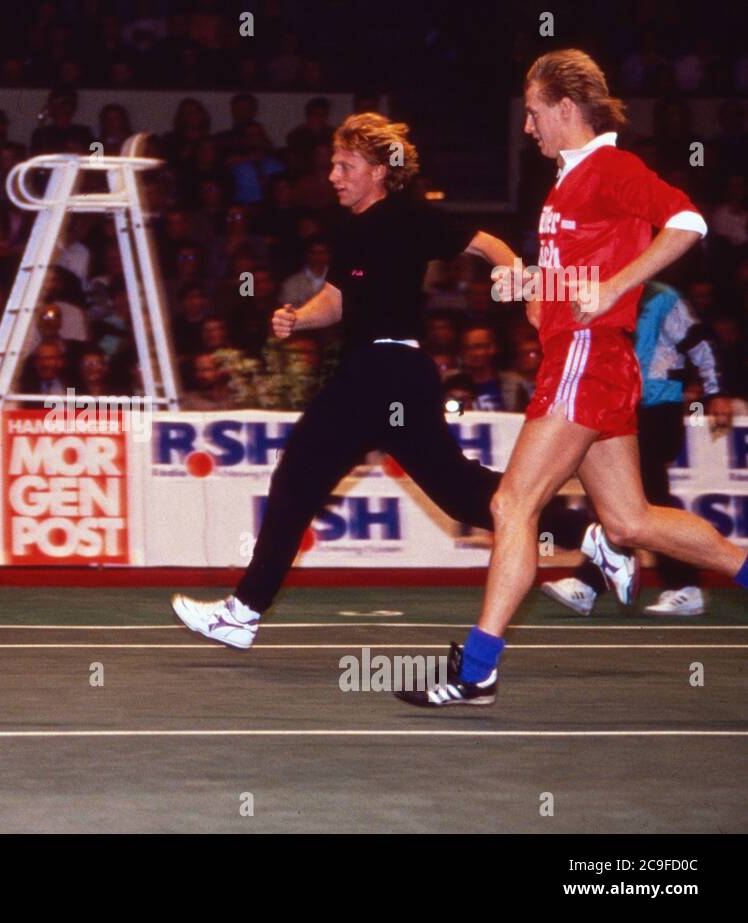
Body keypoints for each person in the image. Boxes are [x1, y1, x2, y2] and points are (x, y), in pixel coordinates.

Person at [171, 114, 608, 650]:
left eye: (344, 165)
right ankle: (587, 534)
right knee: (461, 494)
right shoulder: (350, 229)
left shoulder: (406, 215)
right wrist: (297, 319)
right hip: (398, 379)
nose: (332, 175)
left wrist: (527, 286)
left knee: (296, 479)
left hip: (380, 371)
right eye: (333, 164)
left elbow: (487, 243)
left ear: (379, 171)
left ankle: (242, 611)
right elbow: (335, 301)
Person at [398, 50, 748, 708]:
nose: (527, 127)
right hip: (592, 359)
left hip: (588, 357)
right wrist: (533, 284)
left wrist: (615, 285)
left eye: (533, 113)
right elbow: (577, 279)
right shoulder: (566, 184)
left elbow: (688, 222)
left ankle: (476, 670)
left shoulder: (610, 168)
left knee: (511, 505)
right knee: (631, 522)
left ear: (566, 108)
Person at [541, 281, 735, 617]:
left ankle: (681, 584)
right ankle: (594, 582)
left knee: (648, 500)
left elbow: (701, 340)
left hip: (656, 406)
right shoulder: (600, 290)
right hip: (616, 405)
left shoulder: (662, 297)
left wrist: (716, 391)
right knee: (620, 499)